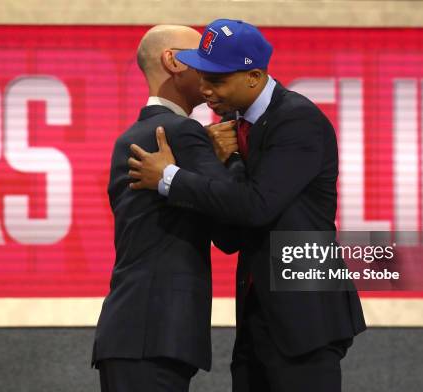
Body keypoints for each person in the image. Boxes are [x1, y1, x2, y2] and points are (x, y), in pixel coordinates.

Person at [127, 19, 366, 392]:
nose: (205, 89)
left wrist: (171, 177)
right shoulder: (229, 126)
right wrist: (215, 162)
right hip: (257, 319)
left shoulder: (298, 120)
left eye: (217, 81)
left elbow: (257, 206)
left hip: (307, 318)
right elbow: (229, 236)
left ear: (254, 76)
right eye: (203, 76)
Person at [91, 24, 241, 392]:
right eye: (201, 58)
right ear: (172, 61)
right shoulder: (181, 133)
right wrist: (232, 158)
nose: (209, 69)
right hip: (156, 332)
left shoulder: (128, 137)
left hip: (130, 329)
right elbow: (233, 220)